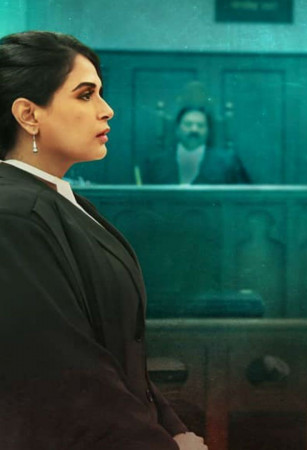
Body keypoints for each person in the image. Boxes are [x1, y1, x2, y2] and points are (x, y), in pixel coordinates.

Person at [0, 31, 207, 450]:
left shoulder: (61, 202)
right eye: (85, 95)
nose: (107, 110)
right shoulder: (14, 214)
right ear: (28, 114)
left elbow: (117, 357)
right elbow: (64, 375)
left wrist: (174, 429)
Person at [144, 106, 251, 184]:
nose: (194, 130)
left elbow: (243, 198)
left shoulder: (228, 162)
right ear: (177, 129)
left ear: (208, 131)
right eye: (188, 124)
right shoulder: (156, 162)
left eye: (200, 125)